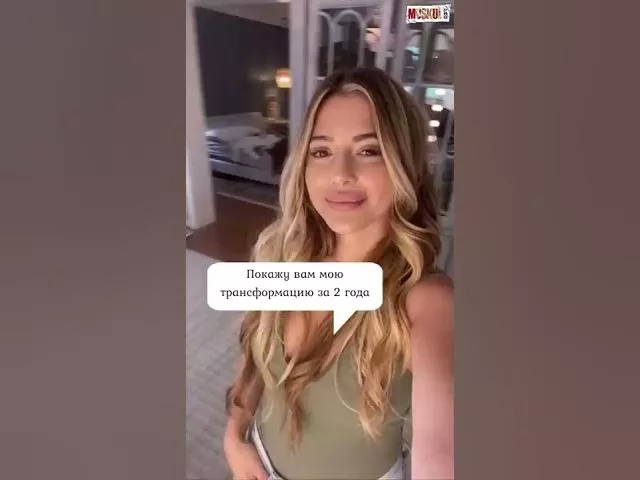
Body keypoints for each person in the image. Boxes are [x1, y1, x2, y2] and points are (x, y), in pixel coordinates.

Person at [223, 67, 453, 480]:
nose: (341, 173)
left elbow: (441, 449)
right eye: (321, 151)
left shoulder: (426, 300)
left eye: (369, 150)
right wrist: (234, 437)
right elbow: (254, 360)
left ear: (403, 164)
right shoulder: (281, 258)